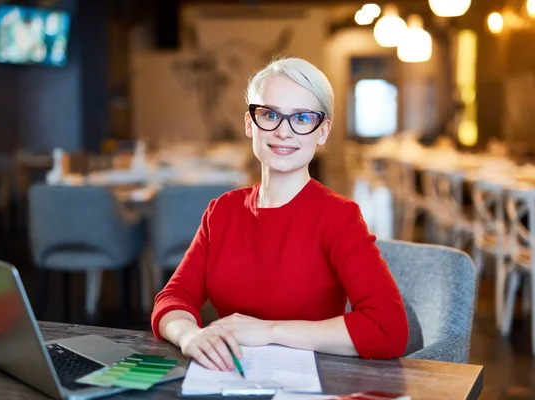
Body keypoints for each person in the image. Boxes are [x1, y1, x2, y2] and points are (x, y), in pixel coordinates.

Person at [151, 57, 409, 372]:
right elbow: (173, 299)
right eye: (270, 114)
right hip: (230, 376)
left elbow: (388, 330)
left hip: (311, 383)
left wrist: (269, 330)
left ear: (323, 131)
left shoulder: (339, 217)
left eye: (301, 118)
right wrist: (189, 335)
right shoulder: (221, 212)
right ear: (250, 123)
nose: (283, 131)